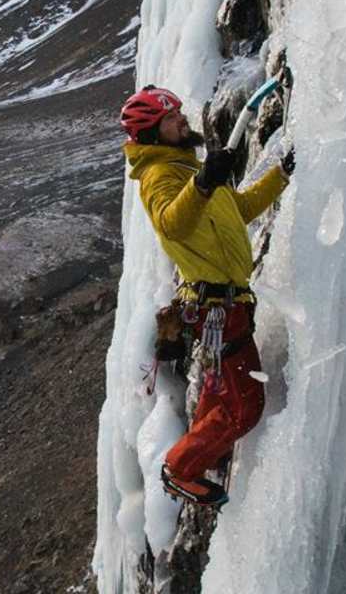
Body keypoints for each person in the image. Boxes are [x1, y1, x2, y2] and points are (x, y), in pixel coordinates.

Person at [119, 85, 295, 507]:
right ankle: (180, 469)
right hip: (216, 307)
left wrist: (282, 174)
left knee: (221, 395)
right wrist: (202, 183)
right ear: (152, 133)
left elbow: (241, 209)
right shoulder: (160, 176)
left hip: (226, 304)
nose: (182, 119)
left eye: (179, 112)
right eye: (170, 118)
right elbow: (171, 223)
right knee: (245, 406)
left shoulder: (186, 169)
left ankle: (208, 455)